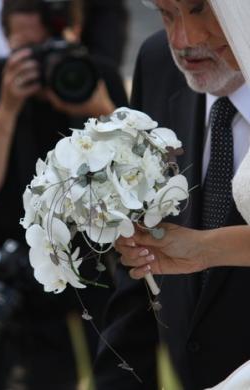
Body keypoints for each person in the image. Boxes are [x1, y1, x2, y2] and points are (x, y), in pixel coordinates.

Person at [0, 0, 128, 389]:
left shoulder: (96, 74)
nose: (40, 63)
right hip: (8, 267)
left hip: (87, 268)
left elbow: (131, 186)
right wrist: (7, 109)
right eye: (27, 50)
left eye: (52, 47)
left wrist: (100, 108)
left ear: (75, 35)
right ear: (6, 40)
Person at [94, 1, 250, 389]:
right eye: (166, 14)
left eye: (201, 11)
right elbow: (141, 273)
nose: (183, 40)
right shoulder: (156, 64)